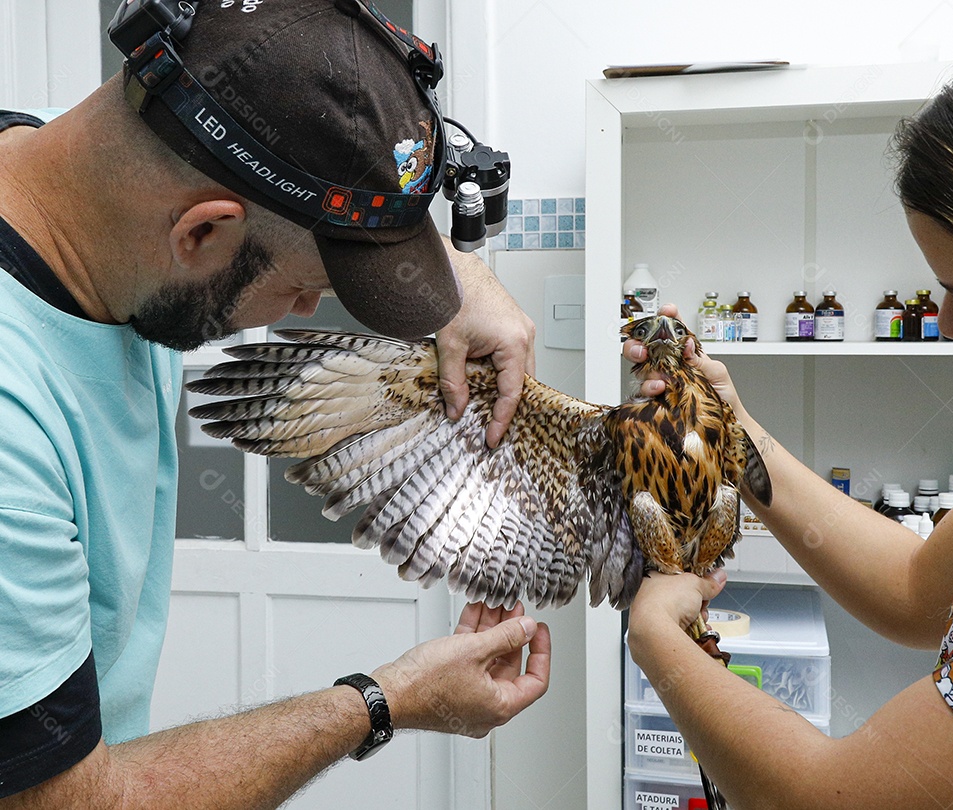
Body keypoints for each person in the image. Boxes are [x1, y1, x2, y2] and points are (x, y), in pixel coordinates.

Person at [0, 1, 548, 806]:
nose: (298, 313)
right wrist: (381, 701)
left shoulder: (82, 159)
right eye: (303, 290)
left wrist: (459, 285)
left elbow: (282, 155)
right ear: (199, 234)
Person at [625, 6, 953, 809]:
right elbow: (913, 590)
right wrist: (731, 431)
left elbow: (829, 801)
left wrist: (657, 636)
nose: (947, 323)